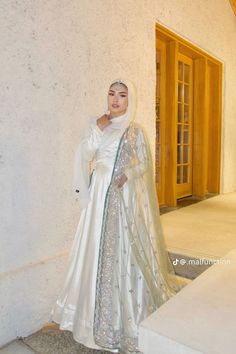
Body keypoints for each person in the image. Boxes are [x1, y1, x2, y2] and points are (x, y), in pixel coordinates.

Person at [50, 78, 186, 354]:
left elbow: (144, 164)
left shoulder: (135, 131)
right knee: (93, 249)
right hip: (98, 194)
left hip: (120, 199)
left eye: (121, 95)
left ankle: (118, 318)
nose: (115, 100)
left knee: (119, 251)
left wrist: (128, 174)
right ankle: (86, 315)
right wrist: (96, 129)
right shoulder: (98, 125)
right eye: (111, 93)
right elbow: (85, 153)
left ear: (129, 100)